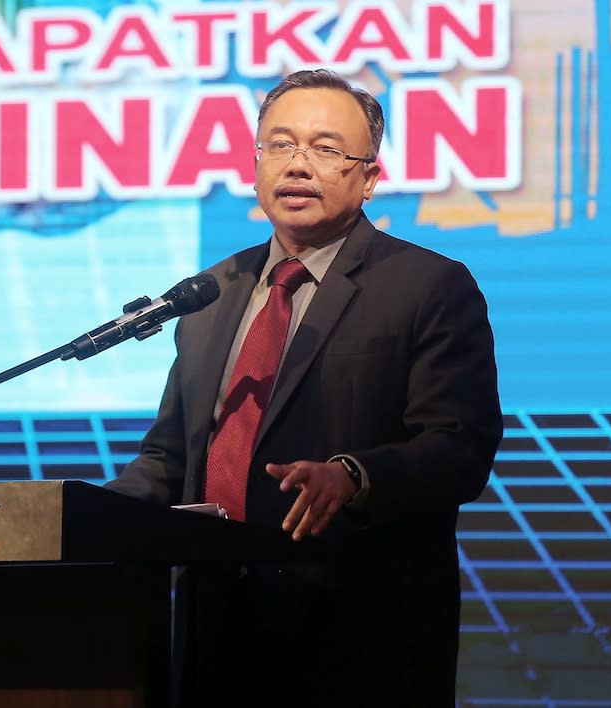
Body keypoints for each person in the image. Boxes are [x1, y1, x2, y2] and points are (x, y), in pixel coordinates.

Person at [106, 68, 502, 708]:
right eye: (281, 145)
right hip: (213, 629)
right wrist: (82, 515)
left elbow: (461, 449)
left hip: (357, 639)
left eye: (325, 148)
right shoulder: (211, 293)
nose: (298, 164)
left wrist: (351, 475)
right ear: (256, 165)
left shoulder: (429, 287)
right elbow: (172, 457)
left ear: (370, 176)